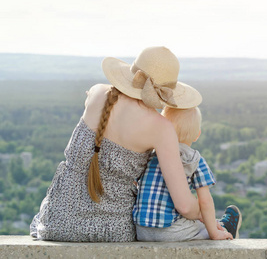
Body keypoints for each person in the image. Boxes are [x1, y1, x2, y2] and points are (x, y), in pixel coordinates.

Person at [30, 46, 204, 242]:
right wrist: (204, 211)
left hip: (57, 221)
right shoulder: (161, 128)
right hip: (113, 231)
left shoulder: (97, 92)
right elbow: (185, 206)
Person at [133, 106, 242, 241]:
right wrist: (214, 232)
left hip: (141, 231)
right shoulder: (195, 160)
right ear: (197, 135)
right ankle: (224, 228)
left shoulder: (150, 156)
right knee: (204, 225)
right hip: (171, 231)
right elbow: (205, 201)